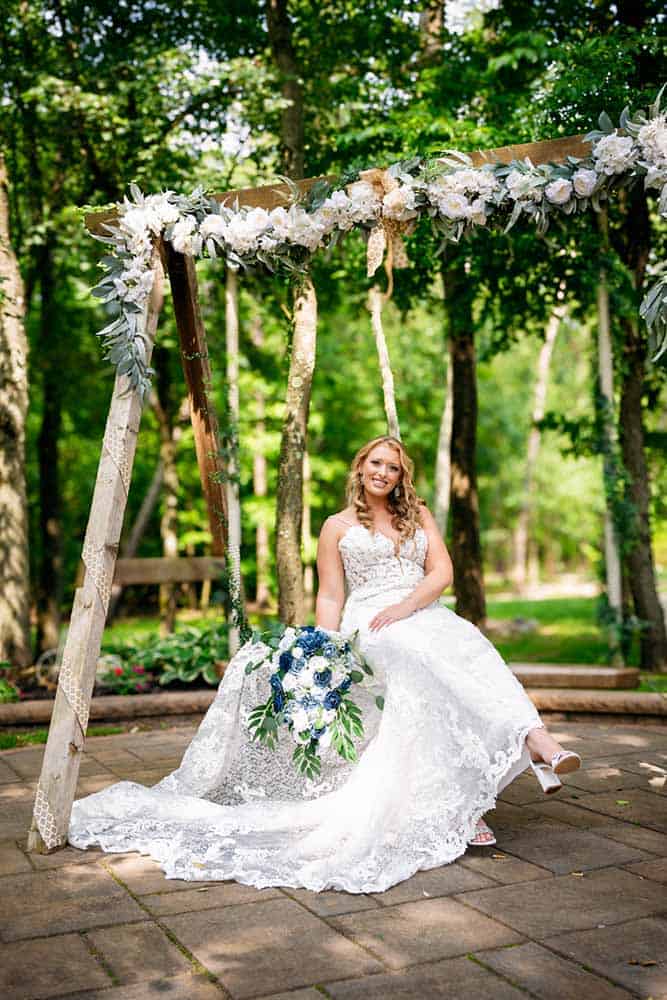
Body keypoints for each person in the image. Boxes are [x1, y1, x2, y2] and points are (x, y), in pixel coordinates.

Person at [67, 434, 580, 892]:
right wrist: (324, 651)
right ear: (360, 469)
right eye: (375, 463)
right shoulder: (336, 527)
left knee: (471, 652)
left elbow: (441, 571)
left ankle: (524, 750)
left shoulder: (417, 515)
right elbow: (332, 595)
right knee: (420, 661)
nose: (384, 472)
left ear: (402, 476)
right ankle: (533, 749)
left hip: (419, 611)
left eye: (394, 467)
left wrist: (406, 606)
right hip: (370, 625)